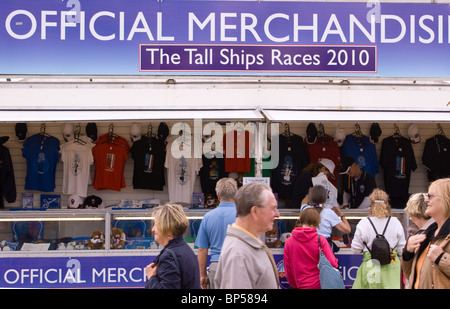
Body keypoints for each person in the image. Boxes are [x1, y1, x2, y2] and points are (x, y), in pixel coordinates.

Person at [214, 182, 280, 289]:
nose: (277, 214)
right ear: (255, 211)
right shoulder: (238, 254)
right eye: (272, 208)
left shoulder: (248, 246)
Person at [351, 189, 406, 289]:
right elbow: (402, 249)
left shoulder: (364, 223)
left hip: (371, 266)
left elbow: (355, 250)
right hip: (392, 264)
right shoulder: (395, 222)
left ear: (370, 204)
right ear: (387, 203)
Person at [401, 178, 450, 289]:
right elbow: (412, 276)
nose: (426, 200)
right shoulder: (428, 234)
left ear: (446, 199)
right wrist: (408, 254)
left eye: (431, 196)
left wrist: (441, 258)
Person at [195, 177, 238, 289]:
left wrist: (203, 275)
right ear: (236, 194)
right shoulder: (243, 216)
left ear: (218, 195)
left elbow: (202, 250)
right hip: (238, 265)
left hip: (216, 267)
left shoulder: (208, 217)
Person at [145, 203, 200, 289]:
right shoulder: (185, 249)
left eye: (155, 224)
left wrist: (151, 277)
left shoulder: (169, 256)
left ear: (166, 227)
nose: (152, 229)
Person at [284, 208, 339, 289]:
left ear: (301, 220)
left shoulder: (289, 242)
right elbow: (332, 263)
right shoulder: (320, 239)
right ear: (317, 221)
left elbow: (288, 269)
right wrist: (335, 261)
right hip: (320, 285)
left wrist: (294, 284)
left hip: (300, 285)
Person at [300, 185, 351, 252]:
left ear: (311, 197)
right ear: (325, 198)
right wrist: (341, 214)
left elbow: (303, 202)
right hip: (324, 249)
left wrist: (309, 194)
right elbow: (347, 230)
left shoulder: (305, 209)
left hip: (308, 248)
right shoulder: (329, 212)